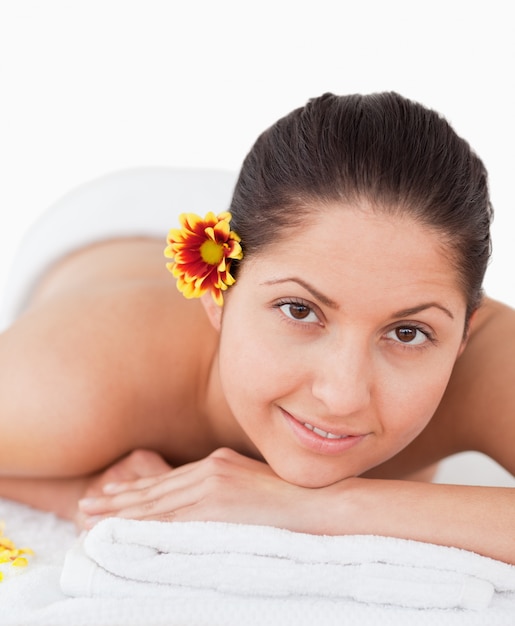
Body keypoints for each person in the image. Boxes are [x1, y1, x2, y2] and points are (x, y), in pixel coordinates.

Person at [0, 92, 514, 564]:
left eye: (407, 334)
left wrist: (325, 507)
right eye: (299, 311)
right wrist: (89, 493)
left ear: (466, 332)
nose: (342, 396)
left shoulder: (481, 351)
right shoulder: (76, 376)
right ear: (216, 295)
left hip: (324, 227)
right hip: (114, 222)